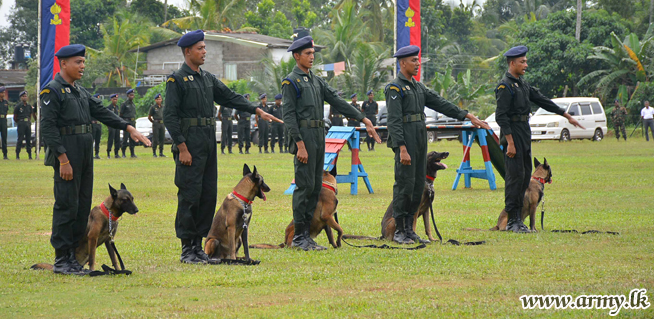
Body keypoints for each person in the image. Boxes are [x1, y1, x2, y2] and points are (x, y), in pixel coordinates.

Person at [163, 30, 282, 264]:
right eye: (200, 48)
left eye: (205, 47)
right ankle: (188, 248)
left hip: (207, 141)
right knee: (189, 195)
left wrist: (256, 109)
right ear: (188, 51)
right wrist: (182, 147)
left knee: (207, 195)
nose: (204, 51)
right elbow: (170, 116)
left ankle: (199, 245)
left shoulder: (207, 78)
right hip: (190, 143)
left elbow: (230, 97)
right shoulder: (176, 80)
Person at [40, 44, 148, 275]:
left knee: (81, 207)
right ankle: (61, 259)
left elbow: (102, 112)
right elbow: (47, 128)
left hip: (84, 152)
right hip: (67, 153)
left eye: (83, 62)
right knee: (66, 206)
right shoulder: (52, 91)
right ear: (64, 63)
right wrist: (63, 159)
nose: (82, 66)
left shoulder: (79, 91)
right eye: (78, 62)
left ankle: (73, 256)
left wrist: (128, 127)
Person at [282, 36, 381, 251]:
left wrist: (363, 118)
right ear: (297, 56)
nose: (312, 57)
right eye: (307, 53)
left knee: (316, 187)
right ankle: (299, 237)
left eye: (313, 53)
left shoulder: (317, 81)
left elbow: (337, 101)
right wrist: (299, 144)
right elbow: (289, 116)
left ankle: (307, 236)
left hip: (319, 136)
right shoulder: (291, 81)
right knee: (304, 188)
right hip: (305, 138)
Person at [386, 45, 488, 244]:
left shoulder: (418, 87)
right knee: (404, 186)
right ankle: (399, 230)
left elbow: (441, 103)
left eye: (418, 60)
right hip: (406, 139)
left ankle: (410, 230)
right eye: (413, 60)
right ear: (402, 63)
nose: (417, 64)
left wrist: (468, 116)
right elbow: (394, 121)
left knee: (417, 185)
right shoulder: (395, 88)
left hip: (419, 138)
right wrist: (401, 148)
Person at [495, 45, 583, 233]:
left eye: (526, 61)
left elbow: (542, 100)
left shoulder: (523, 84)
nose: (526, 64)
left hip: (524, 131)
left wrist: (565, 115)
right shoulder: (505, 86)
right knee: (514, 178)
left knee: (526, 175)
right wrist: (509, 142)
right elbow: (500, 117)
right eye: (522, 62)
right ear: (512, 63)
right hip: (512, 133)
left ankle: (519, 220)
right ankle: (513, 221)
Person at [13, 90, 35, 159]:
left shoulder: (29, 106)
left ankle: (30, 155)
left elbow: (30, 115)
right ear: (21, 98)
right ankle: (17, 155)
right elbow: (15, 117)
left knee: (28, 139)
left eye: (25, 96)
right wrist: (19, 122)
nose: (25, 97)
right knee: (20, 139)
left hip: (27, 123)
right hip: (21, 123)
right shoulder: (18, 106)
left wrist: (28, 122)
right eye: (23, 96)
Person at [120, 89, 137, 158]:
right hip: (127, 122)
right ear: (127, 96)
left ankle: (132, 153)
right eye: (130, 95)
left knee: (132, 138)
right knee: (125, 138)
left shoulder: (133, 104)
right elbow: (121, 114)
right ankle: (123, 153)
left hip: (132, 122)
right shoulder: (124, 104)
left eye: (133, 95)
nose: (132, 96)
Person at [149, 93, 166, 157]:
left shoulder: (163, 107)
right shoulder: (153, 107)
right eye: (157, 99)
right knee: (155, 138)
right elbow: (149, 117)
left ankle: (161, 152)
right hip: (156, 123)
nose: (159, 100)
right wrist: (153, 122)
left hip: (162, 123)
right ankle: (154, 152)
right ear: (155, 100)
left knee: (162, 138)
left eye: (160, 99)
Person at [106, 94, 121, 158]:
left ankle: (116, 153)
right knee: (110, 139)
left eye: (116, 99)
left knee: (117, 139)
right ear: (111, 99)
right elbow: (106, 117)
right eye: (114, 99)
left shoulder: (117, 107)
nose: (115, 100)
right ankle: (108, 153)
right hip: (111, 125)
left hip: (117, 125)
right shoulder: (109, 108)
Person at [90, 94, 103, 160]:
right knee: (92, 140)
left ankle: (97, 154)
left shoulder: (99, 108)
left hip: (98, 124)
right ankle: (91, 154)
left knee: (98, 140)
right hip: (93, 124)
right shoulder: (90, 108)